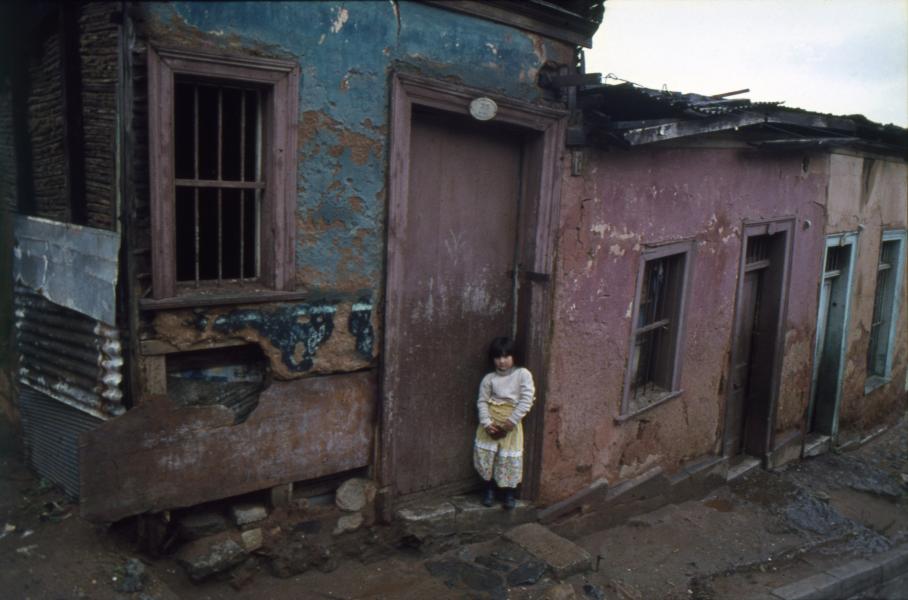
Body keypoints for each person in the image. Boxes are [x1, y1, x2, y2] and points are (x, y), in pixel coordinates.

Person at [473, 337, 535, 509]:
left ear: (514, 356)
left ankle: (509, 494)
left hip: (511, 425)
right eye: (498, 357)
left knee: (507, 459)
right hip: (490, 424)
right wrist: (486, 423)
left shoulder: (522, 375)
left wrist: (512, 421)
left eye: (506, 356)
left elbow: (527, 400)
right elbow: (482, 401)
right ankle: (488, 490)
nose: (502, 361)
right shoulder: (489, 379)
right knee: (488, 458)